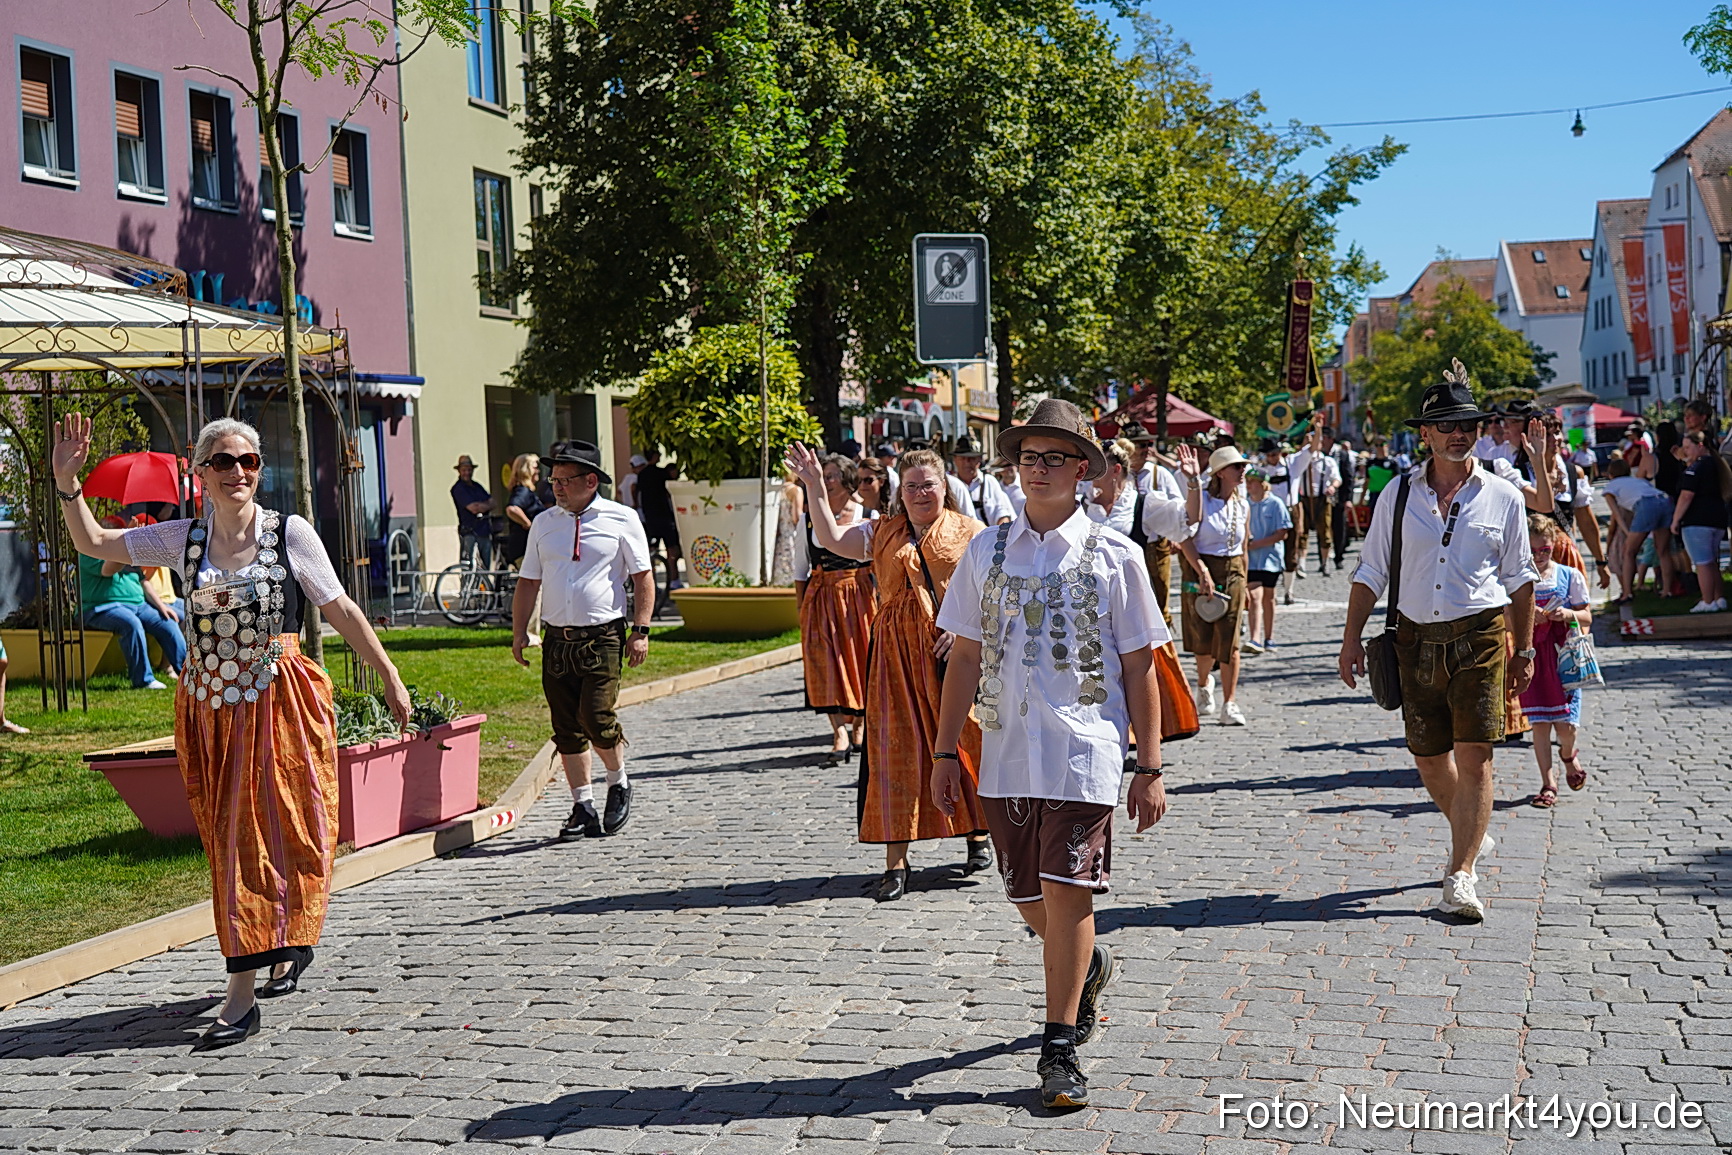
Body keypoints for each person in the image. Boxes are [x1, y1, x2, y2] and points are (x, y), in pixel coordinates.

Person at [53, 414, 412, 1050]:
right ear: (201, 473)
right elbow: (95, 543)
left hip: (281, 699)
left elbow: (340, 607)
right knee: (230, 838)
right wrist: (66, 483)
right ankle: (262, 959)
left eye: (249, 461)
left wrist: (388, 674)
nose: (240, 471)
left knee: (292, 828)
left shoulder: (289, 535)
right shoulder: (181, 540)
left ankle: (252, 979)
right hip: (210, 708)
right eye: (224, 461)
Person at [928, 397, 1170, 1111]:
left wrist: (1149, 764)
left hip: (1083, 751)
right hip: (1004, 754)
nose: (1038, 469)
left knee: (1067, 896)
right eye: (1029, 456)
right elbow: (964, 656)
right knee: (1028, 898)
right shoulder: (986, 550)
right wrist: (946, 751)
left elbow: (1139, 666)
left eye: (1054, 457)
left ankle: (1057, 1050)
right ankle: (1087, 964)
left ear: (1083, 470)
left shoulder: (1115, 556)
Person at [1339, 361, 1536, 923]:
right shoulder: (1397, 494)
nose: (1459, 433)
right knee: (1429, 760)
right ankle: (1470, 828)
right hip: (1414, 640)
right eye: (1447, 424)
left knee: (1476, 758)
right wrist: (1351, 640)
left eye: (1468, 424)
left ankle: (1461, 875)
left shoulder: (1503, 496)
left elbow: (1521, 578)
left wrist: (1522, 649)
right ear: (1423, 434)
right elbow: (1371, 570)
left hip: (1480, 637)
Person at [787, 441, 991, 901]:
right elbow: (831, 540)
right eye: (912, 486)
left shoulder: (972, 533)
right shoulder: (882, 531)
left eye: (929, 485)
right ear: (901, 491)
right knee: (893, 751)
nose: (921, 494)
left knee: (965, 743)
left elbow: (994, 595)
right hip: (894, 656)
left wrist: (966, 633)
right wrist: (816, 486)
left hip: (950, 655)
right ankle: (895, 863)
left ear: (945, 488)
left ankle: (977, 832)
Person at [512, 442, 654, 842]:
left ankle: (619, 781)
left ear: (591, 481)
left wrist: (640, 630)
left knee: (596, 717)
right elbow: (528, 581)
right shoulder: (543, 523)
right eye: (553, 479)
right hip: (557, 639)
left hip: (604, 636)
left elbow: (643, 577)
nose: (556, 487)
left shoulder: (622, 519)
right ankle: (583, 806)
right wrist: (519, 631)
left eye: (565, 480)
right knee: (566, 727)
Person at [792, 454, 874, 764]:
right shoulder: (808, 518)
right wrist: (802, 607)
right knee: (824, 661)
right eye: (823, 474)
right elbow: (801, 568)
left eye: (832, 474)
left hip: (859, 594)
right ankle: (838, 730)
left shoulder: (869, 514)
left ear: (848, 479)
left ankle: (861, 724)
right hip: (822, 594)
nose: (825, 480)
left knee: (860, 658)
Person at [1519, 514, 1591, 809]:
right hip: (1534, 655)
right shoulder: (1518, 578)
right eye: (1533, 551)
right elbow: (1505, 620)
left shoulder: (1568, 575)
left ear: (1554, 546)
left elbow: (1587, 615)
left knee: (1566, 727)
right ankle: (1548, 784)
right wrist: (1526, 618)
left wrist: (1569, 615)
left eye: (1544, 550)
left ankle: (1568, 755)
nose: (1538, 556)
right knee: (1540, 724)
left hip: (1564, 657)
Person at [1178, 445, 1251, 724]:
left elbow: (1244, 546)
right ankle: (1204, 683)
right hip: (1201, 568)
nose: (1242, 471)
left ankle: (1230, 704)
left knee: (1231, 640)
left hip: (1233, 571)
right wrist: (1202, 571)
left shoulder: (1242, 505)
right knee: (1203, 638)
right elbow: (1184, 539)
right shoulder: (1204, 503)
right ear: (1220, 473)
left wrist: (1245, 581)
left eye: (1243, 466)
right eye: (1237, 467)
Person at [79, 515, 187, 690]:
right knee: (131, 624)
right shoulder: (90, 550)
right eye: (117, 535)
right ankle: (143, 680)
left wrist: (162, 608)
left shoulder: (125, 553)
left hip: (139, 605)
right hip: (102, 607)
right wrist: (126, 539)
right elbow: (108, 570)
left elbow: (143, 581)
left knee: (169, 623)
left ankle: (188, 675)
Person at [1601, 456, 1675, 604]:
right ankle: (1668, 591)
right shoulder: (1637, 481)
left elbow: (1616, 514)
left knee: (1629, 551)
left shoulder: (1610, 487)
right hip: (1665, 500)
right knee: (1663, 551)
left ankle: (1627, 593)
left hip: (1646, 505)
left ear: (1610, 474)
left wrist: (1628, 533)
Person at [1671, 431, 1731, 612]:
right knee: (1711, 562)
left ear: (1700, 445)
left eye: (1688, 447)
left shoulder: (1696, 468)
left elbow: (1686, 495)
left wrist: (1676, 520)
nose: (1686, 451)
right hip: (1717, 518)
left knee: (1702, 563)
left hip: (1698, 520)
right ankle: (1718, 598)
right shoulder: (1715, 465)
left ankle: (1707, 601)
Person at [1242, 467, 1291, 653]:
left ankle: (1269, 637)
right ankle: (1255, 638)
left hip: (1271, 560)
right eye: (1247, 481)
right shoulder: (1245, 504)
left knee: (1268, 598)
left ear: (1263, 484)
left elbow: (1282, 533)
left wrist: (1258, 543)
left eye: (1253, 481)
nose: (1249, 485)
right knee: (1254, 596)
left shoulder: (1276, 504)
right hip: (1251, 560)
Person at [1290, 422, 1339, 574]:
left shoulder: (1327, 461)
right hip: (1304, 499)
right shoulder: (1300, 461)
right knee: (1302, 532)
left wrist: (1332, 486)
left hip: (1322, 499)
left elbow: (1337, 478)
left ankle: (1325, 563)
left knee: (1324, 531)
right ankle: (1302, 564)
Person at [636, 449, 683, 595]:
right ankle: (674, 581)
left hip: (649, 516)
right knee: (672, 549)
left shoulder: (642, 475)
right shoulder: (661, 473)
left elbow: (638, 492)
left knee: (651, 551)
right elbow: (668, 493)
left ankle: (652, 583)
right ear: (655, 457)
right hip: (664, 515)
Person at [953, 435, 1014, 525]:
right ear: (955, 459)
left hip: (990, 536)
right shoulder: (951, 484)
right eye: (962, 458)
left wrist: (1000, 534)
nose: (967, 462)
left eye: (972, 458)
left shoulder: (989, 482)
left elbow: (1002, 512)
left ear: (979, 460)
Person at [451, 454, 496, 571]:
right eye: (464, 470)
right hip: (469, 532)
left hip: (484, 531)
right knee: (467, 566)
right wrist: (485, 505)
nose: (467, 473)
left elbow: (493, 502)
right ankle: (467, 589)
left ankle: (485, 588)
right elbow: (473, 508)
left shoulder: (477, 486)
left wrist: (482, 506)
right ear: (459, 471)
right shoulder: (458, 488)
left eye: (469, 470)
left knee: (485, 566)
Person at [502, 453, 545, 568]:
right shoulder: (522, 491)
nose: (538, 471)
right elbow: (512, 509)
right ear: (526, 470)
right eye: (535, 468)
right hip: (523, 549)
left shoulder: (526, 491)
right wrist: (528, 524)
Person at [1325, 429, 1358, 569]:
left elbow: (1349, 478)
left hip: (1339, 497)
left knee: (1338, 527)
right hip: (1323, 498)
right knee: (1324, 527)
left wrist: (1348, 499)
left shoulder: (1342, 455)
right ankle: (1324, 559)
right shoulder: (1318, 454)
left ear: (1330, 439)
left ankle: (1339, 556)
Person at [770, 469, 804, 588]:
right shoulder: (796, 490)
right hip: (790, 532)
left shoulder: (775, 489)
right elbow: (797, 516)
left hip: (776, 531)